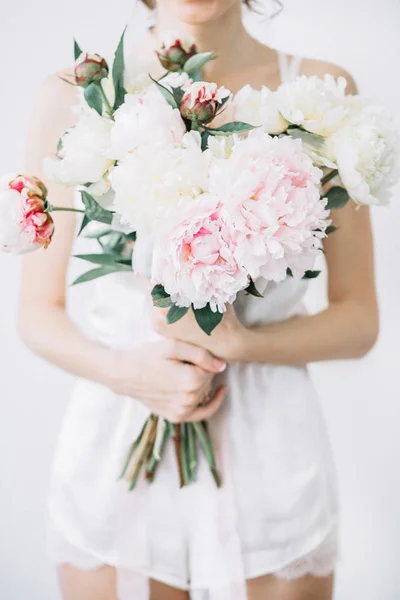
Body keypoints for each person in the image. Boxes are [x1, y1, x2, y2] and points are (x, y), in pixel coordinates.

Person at [18, 0, 379, 598]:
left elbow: (359, 320)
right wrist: (127, 372)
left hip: (271, 448)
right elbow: (37, 313)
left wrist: (242, 341)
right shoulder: (76, 94)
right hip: (119, 437)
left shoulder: (323, 95)